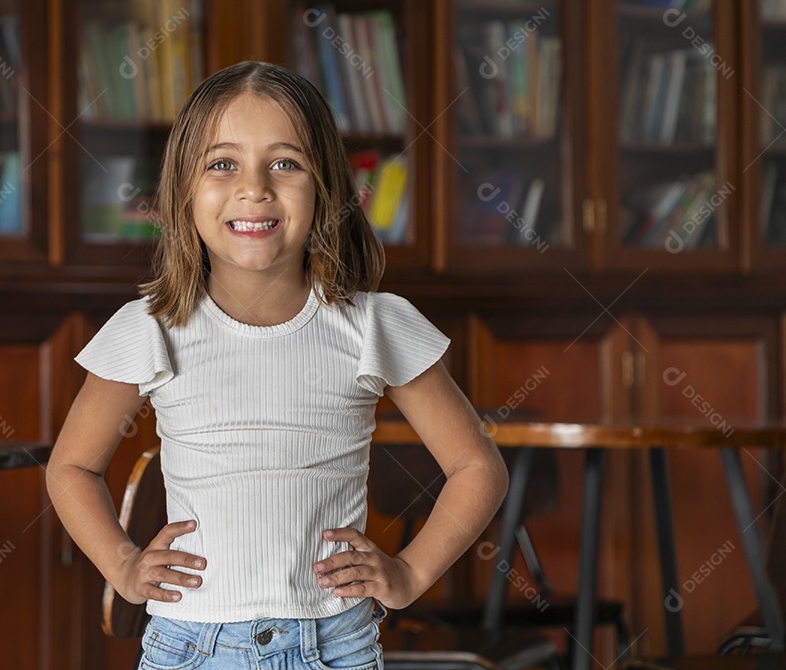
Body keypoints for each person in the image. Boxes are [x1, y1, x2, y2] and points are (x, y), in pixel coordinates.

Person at [46, 61, 508, 670]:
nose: (254, 188)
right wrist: (125, 567)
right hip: (189, 647)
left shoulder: (373, 325)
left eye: (285, 163)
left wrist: (409, 572)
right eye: (222, 164)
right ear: (184, 189)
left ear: (326, 190)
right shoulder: (148, 327)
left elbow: (477, 466)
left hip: (334, 645)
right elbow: (72, 467)